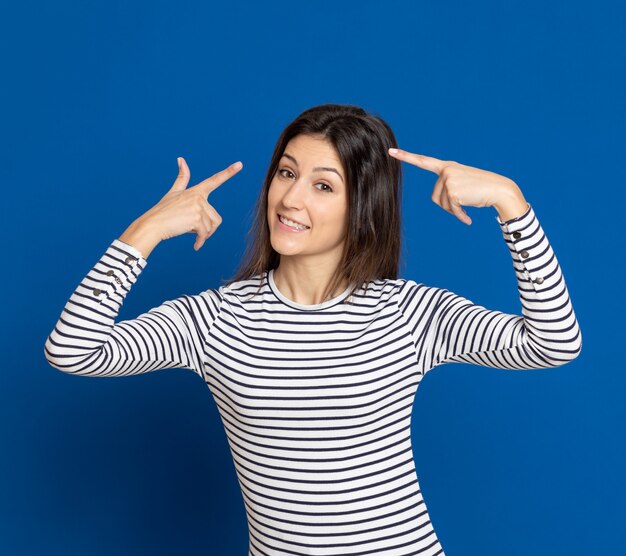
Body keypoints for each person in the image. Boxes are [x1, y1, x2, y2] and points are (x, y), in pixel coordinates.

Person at [44, 103, 582, 556]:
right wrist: (147, 231)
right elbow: (72, 351)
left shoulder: (408, 314)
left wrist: (512, 204)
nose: (291, 199)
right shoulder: (215, 320)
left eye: (324, 185)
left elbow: (554, 343)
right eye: (286, 172)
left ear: (363, 210)